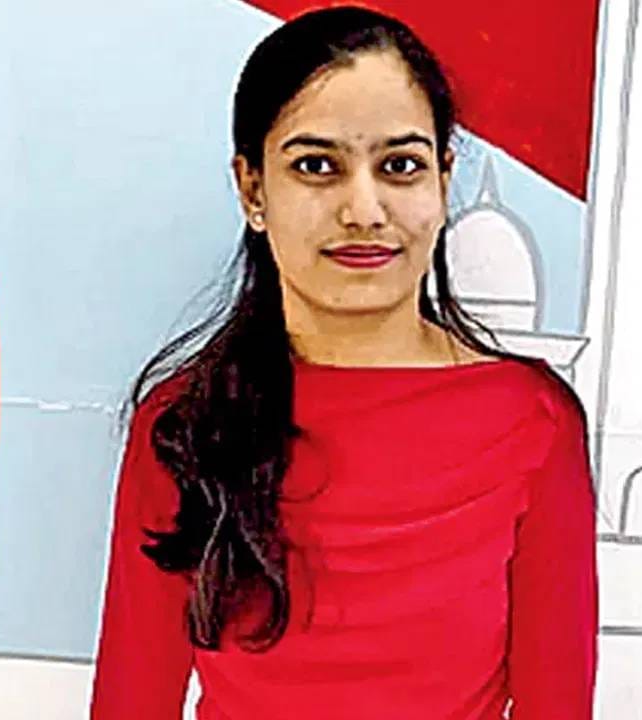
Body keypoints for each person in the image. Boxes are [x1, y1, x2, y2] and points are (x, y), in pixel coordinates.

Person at [89, 7, 597, 720]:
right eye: (317, 166)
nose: (364, 209)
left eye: (400, 166)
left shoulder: (533, 421)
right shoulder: (183, 426)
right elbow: (130, 701)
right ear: (253, 189)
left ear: (443, 180)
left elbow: (559, 704)